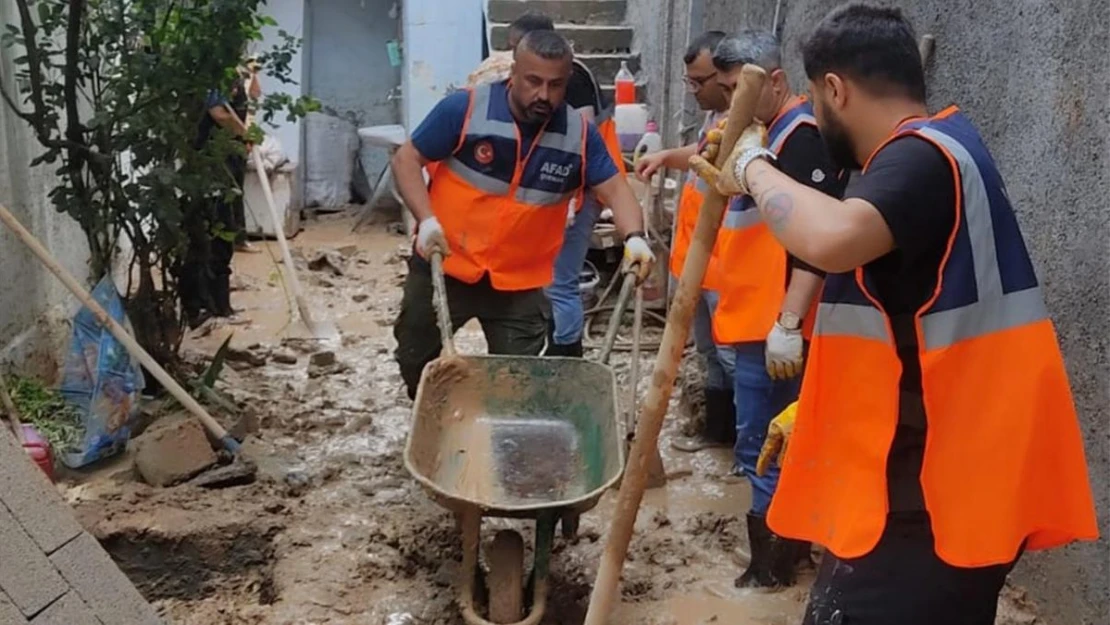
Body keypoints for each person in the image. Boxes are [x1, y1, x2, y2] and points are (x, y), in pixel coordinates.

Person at [704, 5, 1097, 623]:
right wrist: (817, 406)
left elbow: (831, 240)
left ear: (834, 88)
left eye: (815, 96)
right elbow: (904, 324)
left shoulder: (925, 158)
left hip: (939, 490)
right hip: (940, 469)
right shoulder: (930, 156)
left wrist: (751, 165)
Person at [390, 30, 655, 399]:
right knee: (415, 357)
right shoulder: (465, 110)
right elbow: (406, 158)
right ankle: (437, 424)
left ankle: (502, 441)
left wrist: (635, 237)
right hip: (447, 264)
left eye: (555, 85)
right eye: (533, 81)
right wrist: (427, 219)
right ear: (513, 73)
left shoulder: (578, 136)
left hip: (519, 285)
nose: (543, 95)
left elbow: (615, 190)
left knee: (518, 383)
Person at [708, 31, 845, 590]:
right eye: (723, 90)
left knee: (762, 441)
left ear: (776, 82)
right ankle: (787, 552)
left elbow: (819, 236)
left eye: (737, 89)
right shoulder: (766, 136)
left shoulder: (801, 140)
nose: (728, 100)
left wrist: (789, 323)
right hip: (753, 318)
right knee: (768, 437)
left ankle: (772, 566)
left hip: (776, 325)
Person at [635, 31, 736, 452]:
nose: (694, 90)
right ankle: (717, 434)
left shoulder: (747, 127)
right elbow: (698, 153)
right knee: (710, 354)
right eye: (689, 82)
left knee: (733, 361)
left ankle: (744, 448)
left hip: (729, 269)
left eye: (701, 81)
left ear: (727, 76)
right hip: (700, 266)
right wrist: (664, 157)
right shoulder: (715, 121)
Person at [180, 69, 256, 327]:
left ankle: (220, 305)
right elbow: (219, 112)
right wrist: (243, 133)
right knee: (211, 236)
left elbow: (245, 102)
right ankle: (202, 307)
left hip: (227, 163)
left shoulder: (234, 72)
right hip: (211, 165)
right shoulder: (213, 71)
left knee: (225, 233)